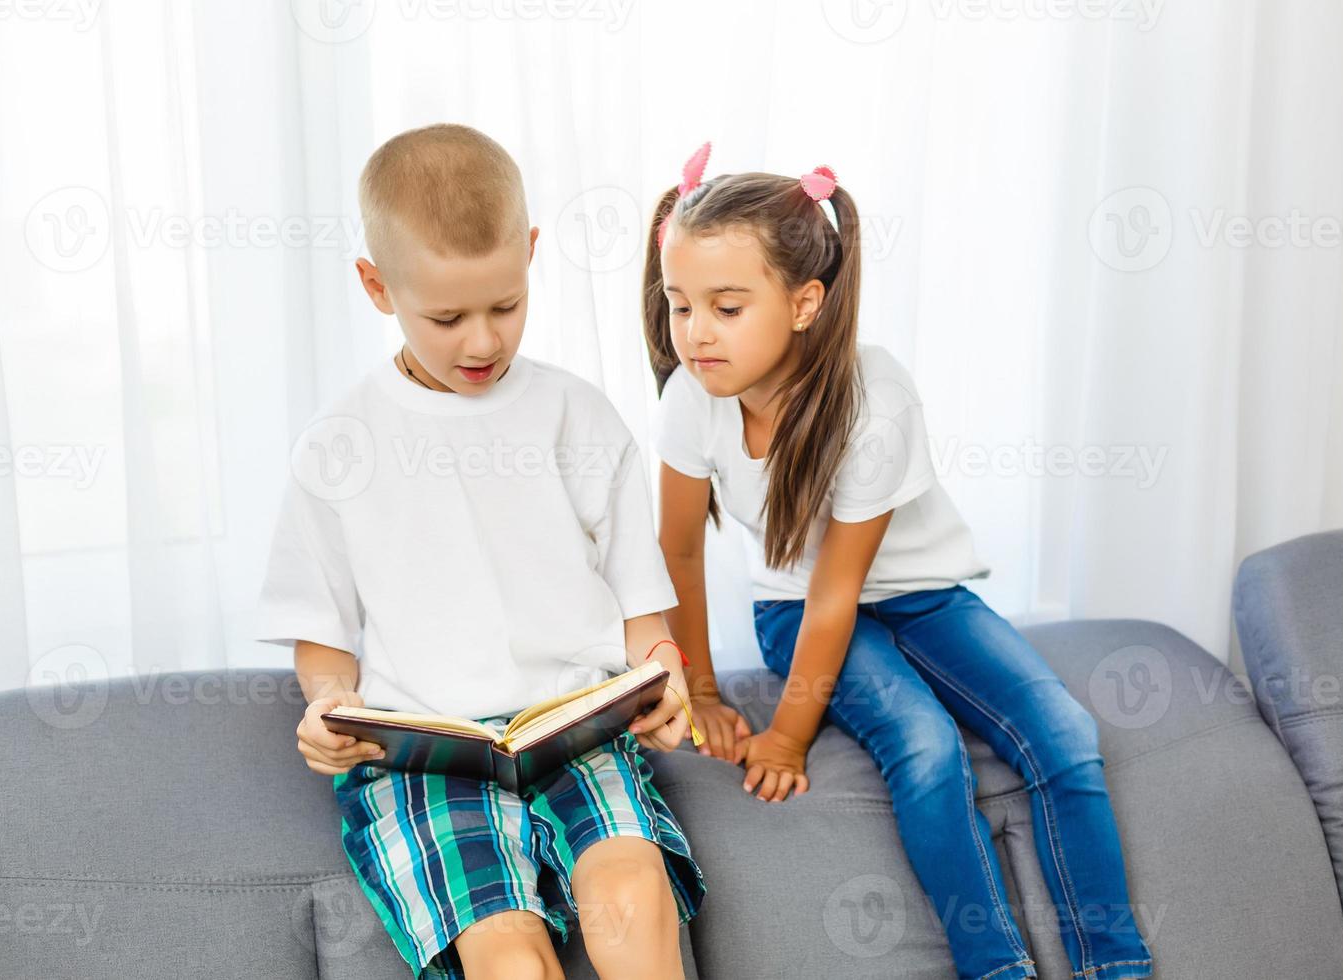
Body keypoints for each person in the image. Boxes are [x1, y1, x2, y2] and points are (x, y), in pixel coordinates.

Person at [642, 142, 1152, 980]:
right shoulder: (688, 400)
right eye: (679, 304)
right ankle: (998, 967)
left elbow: (846, 589)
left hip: (919, 596)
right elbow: (680, 550)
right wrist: (698, 689)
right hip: (793, 609)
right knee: (923, 745)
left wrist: (788, 737)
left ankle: (1117, 966)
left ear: (805, 303)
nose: (694, 333)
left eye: (726, 307)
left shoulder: (873, 399)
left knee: (1063, 733)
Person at [258, 124, 705, 980]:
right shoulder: (338, 446)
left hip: (577, 727)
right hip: (429, 756)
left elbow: (642, 611)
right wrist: (328, 708)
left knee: (633, 898)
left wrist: (664, 674)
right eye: (447, 316)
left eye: (505, 304)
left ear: (531, 253)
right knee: (508, 957)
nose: (482, 342)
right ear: (376, 286)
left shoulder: (578, 417)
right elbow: (322, 638)